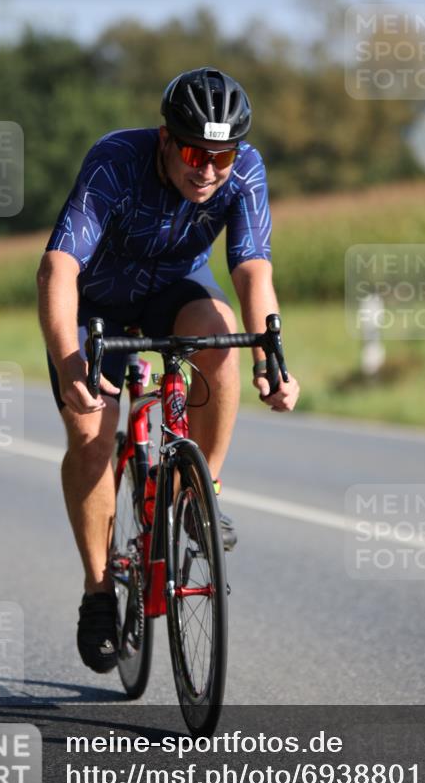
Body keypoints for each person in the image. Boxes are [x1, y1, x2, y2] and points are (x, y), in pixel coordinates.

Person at [37, 66, 300, 675]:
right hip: (96, 302)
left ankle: (199, 494)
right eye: (192, 151)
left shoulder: (246, 172)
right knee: (91, 433)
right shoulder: (116, 160)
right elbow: (58, 270)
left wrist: (271, 354)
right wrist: (68, 359)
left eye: (221, 155)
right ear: (164, 139)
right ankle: (100, 591)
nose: (206, 169)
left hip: (172, 290)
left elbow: (252, 269)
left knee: (218, 332)